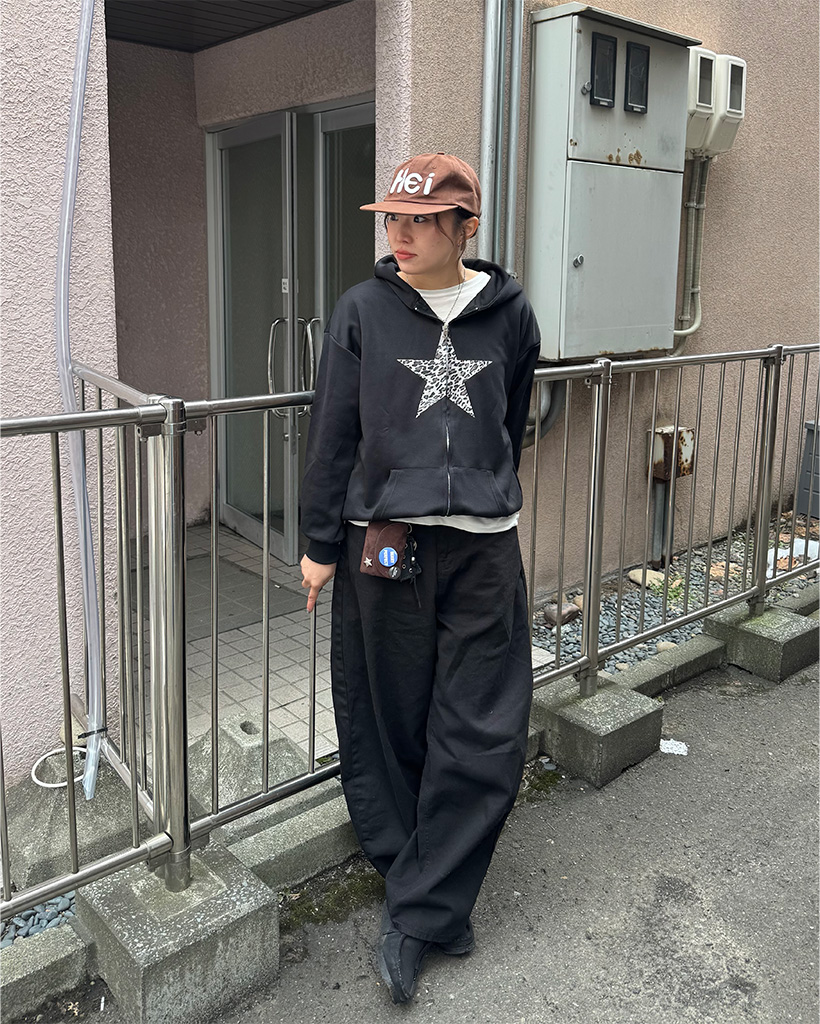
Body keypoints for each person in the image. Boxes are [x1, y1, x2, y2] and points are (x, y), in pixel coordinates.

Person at [299, 152, 541, 1003]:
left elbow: (512, 418)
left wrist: (480, 489)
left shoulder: (510, 314)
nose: (400, 235)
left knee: (483, 728)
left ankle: (420, 910)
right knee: (391, 713)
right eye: (392, 220)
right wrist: (318, 542)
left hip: (483, 548)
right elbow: (333, 431)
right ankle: (427, 887)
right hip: (383, 542)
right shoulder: (362, 310)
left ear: (465, 227)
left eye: (421, 221)